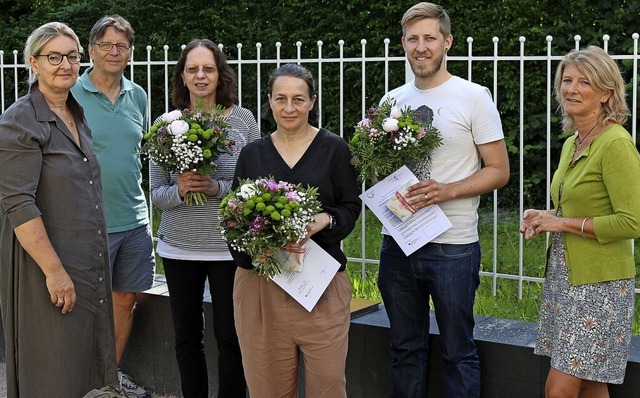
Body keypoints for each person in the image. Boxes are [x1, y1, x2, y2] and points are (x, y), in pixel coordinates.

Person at [377, 3, 510, 397]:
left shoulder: (473, 97)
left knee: (458, 351)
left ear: (447, 42)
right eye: (413, 39)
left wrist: (446, 191)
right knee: (404, 349)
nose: (421, 47)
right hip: (398, 243)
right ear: (403, 44)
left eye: (429, 38)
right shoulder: (391, 101)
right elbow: (379, 169)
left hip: (453, 248)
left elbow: (499, 170)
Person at [0, 22, 119, 397]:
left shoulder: (76, 114)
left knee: (86, 366)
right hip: (47, 268)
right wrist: (54, 272)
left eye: (71, 56)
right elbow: (18, 203)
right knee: (53, 367)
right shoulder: (19, 121)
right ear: (33, 63)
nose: (64, 65)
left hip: (85, 264)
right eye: (54, 57)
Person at [230, 63, 361, 398]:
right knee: (267, 389)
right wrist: (250, 249)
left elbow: (350, 207)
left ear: (312, 102)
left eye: (298, 99)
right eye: (281, 99)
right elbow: (232, 220)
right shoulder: (251, 154)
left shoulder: (335, 150)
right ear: (270, 102)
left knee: (328, 386)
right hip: (261, 287)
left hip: (320, 284)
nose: (289, 108)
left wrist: (324, 220)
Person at [520, 45, 640, 398]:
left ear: (606, 93)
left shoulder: (616, 144)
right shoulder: (573, 142)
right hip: (566, 277)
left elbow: (632, 221)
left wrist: (564, 224)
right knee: (588, 383)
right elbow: (573, 205)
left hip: (599, 286)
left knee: (559, 388)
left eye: (584, 82)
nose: (571, 89)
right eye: (567, 80)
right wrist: (546, 217)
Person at [149, 38, 259, 398]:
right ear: (182, 75)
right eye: (192, 69)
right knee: (185, 339)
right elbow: (157, 196)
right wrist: (180, 190)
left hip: (228, 249)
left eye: (208, 68)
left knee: (231, 337)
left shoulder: (243, 120)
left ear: (220, 73)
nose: (200, 76)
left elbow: (250, 189)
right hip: (178, 249)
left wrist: (216, 187)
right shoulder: (165, 124)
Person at [71, 15, 154, 398]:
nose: (114, 51)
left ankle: (108, 380)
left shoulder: (137, 94)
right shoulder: (71, 91)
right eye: (106, 44)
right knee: (85, 305)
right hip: (88, 222)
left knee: (125, 300)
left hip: (135, 220)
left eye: (121, 45)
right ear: (91, 50)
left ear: (130, 52)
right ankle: (79, 380)